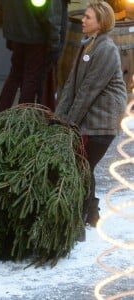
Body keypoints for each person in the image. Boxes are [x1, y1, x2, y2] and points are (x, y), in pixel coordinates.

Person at [55, 0, 127, 235]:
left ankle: (84, 217)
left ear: (101, 23)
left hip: (101, 122)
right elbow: (71, 86)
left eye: (88, 17)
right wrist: (59, 117)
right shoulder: (88, 45)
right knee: (83, 166)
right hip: (89, 119)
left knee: (83, 167)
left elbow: (88, 91)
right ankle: (91, 215)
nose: (83, 20)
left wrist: (69, 123)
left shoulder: (105, 49)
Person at [0, 0, 66, 113]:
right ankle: (23, 120)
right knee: (31, 78)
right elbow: (50, 17)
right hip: (36, 35)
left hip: (17, 33)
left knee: (14, 74)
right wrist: (54, 43)